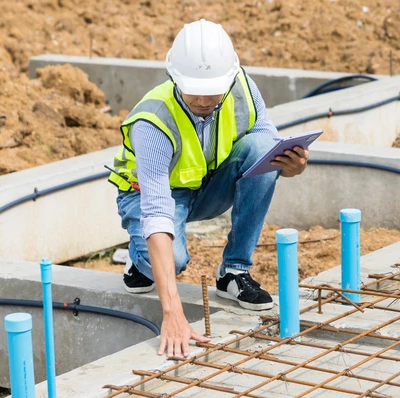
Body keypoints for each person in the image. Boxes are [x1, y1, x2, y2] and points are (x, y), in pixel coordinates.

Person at [108, 19, 308, 358]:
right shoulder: (152, 121)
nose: (203, 98)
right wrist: (172, 312)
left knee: (263, 148)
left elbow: (268, 154)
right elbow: (157, 211)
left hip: (207, 184)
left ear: (229, 77)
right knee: (170, 261)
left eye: (212, 88)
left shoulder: (242, 90)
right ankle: (139, 261)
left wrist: (292, 166)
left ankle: (234, 271)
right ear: (174, 77)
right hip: (152, 195)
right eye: (193, 89)